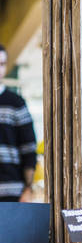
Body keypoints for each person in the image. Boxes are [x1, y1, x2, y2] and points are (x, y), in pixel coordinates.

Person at [0, 45, 39, 203]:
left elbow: (28, 148)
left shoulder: (16, 103)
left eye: (2, 64)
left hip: (12, 192)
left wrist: (28, 189)